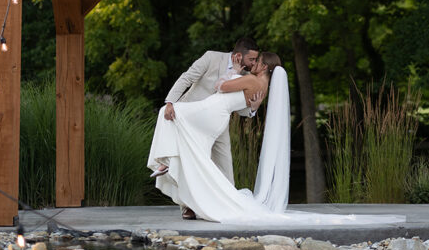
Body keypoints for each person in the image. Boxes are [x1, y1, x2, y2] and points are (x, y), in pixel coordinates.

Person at [148, 52, 407, 228]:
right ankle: (171, 164)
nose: (254, 63)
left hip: (211, 111)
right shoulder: (262, 87)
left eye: (258, 61)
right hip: (216, 117)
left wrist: (235, 72)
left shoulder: (250, 78)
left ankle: (168, 161)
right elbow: (247, 107)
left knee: (168, 111)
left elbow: (220, 87)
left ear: (265, 67)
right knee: (194, 147)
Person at [162, 38, 260, 188]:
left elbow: (237, 106)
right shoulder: (211, 57)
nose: (253, 63)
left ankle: (230, 207)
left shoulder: (245, 77)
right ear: (239, 56)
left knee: (226, 166)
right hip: (194, 118)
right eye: (251, 59)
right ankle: (187, 207)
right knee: (193, 165)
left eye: (255, 60)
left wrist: (252, 108)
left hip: (219, 124)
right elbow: (187, 78)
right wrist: (170, 102)